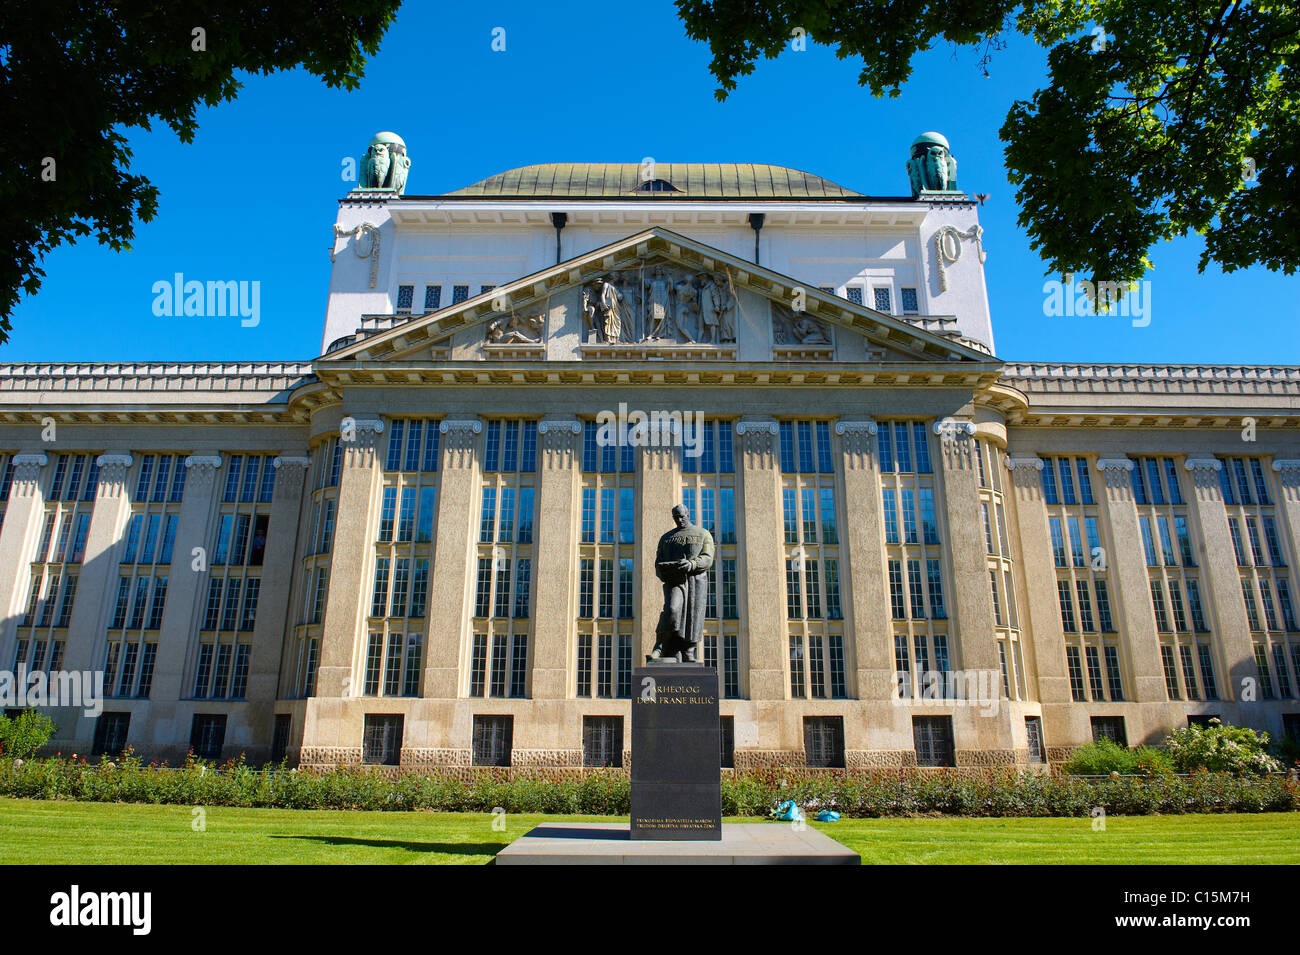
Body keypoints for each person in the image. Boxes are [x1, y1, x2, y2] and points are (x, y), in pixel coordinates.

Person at [651, 504, 715, 662]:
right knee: (672, 610)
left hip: (695, 582)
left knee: (694, 616)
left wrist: (692, 564)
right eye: (676, 517)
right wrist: (664, 570)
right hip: (675, 581)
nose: (679, 520)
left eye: (681, 516)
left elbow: (708, 558)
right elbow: (658, 562)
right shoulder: (666, 538)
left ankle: (688, 650)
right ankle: (661, 645)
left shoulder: (703, 534)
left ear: (688, 514)